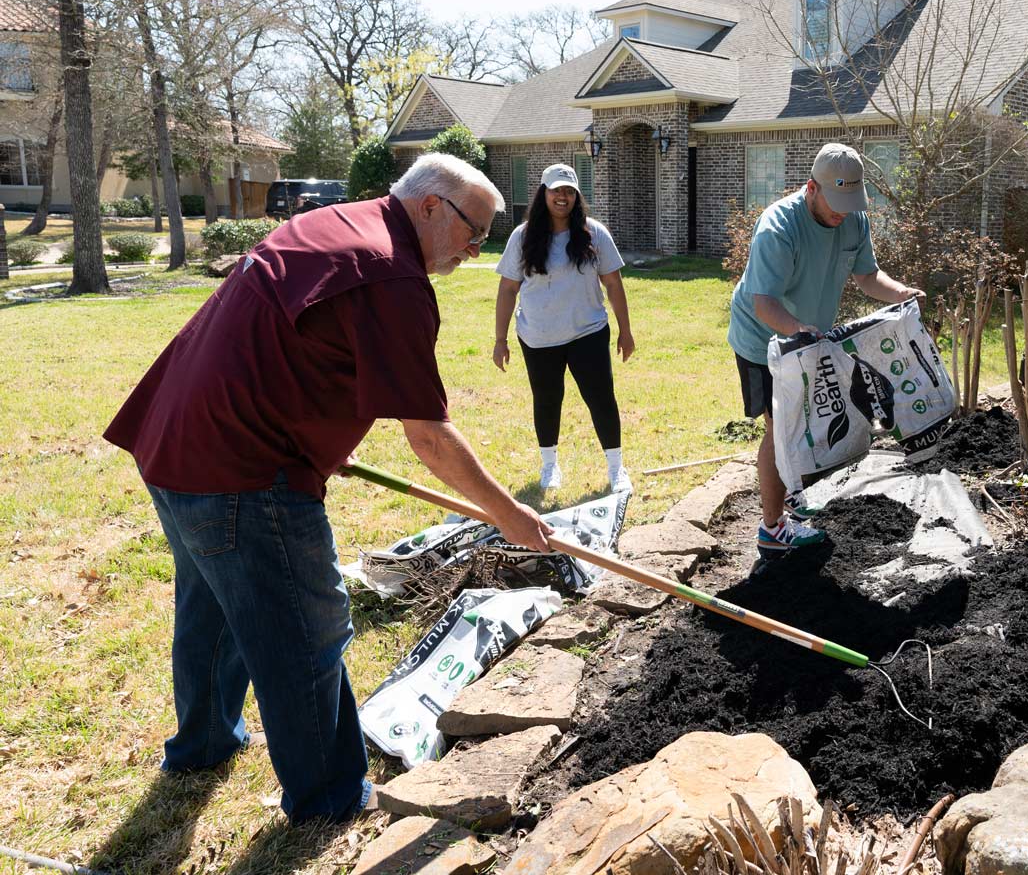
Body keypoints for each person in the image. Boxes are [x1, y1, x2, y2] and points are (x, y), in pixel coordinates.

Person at [103, 153, 554, 825]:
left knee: (216, 607)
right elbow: (428, 435)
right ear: (430, 206)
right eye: (473, 231)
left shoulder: (333, 225)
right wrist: (508, 514)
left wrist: (311, 429)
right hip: (243, 471)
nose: (474, 248)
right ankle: (329, 797)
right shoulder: (392, 274)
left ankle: (202, 745)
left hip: (172, 441)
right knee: (305, 631)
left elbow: (287, 340)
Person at [727, 142, 924, 573]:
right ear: (811, 187)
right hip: (764, 340)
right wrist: (799, 332)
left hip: (809, 339)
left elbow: (868, 277)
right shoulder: (778, 227)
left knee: (810, 423)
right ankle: (773, 529)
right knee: (782, 431)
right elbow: (764, 303)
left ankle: (794, 493)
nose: (842, 214)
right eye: (835, 203)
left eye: (850, 204)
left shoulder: (853, 220)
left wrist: (901, 294)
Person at [493, 163, 634, 493]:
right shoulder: (523, 237)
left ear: (577, 197)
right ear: (543, 193)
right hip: (539, 336)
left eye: (569, 191)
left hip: (588, 332)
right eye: (556, 190)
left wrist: (625, 331)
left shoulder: (594, 234)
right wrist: (500, 339)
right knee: (546, 399)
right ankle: (550, 466)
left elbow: (613, 284)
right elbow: (507, 289)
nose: (563, 197)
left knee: (601, 399)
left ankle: (616, 469)